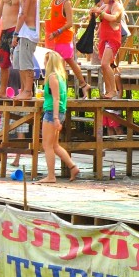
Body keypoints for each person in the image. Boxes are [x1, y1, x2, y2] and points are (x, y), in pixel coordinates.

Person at [28, 0, 92, 98]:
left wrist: (56, 32)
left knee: (65, 63)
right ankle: (73, 87)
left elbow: (70, 23)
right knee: (57, 63)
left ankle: (80, 85)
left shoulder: (66, 3)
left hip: (63, 37)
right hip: (54, 37)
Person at [37, 50, 80, 183]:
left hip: (52, 113)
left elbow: (56, 98)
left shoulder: (52, 77)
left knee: (47, 146)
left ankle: (51, 176)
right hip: (58, 111)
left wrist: (55, 118)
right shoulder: (60, 77)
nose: (44, 63)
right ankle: (72, 167)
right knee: (54, 145)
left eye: (45, 61)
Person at [91, 0, 125, 99]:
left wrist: (101, 12)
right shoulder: (104, 6)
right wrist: (93, 13)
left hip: (113, 38)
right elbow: (99, 15)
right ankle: (109, 90)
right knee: (104, 65)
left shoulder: (117, 6)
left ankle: (113, 90)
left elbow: (113, 17)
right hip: (104, 38)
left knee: (105, 63)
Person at [11, 0, 41, 100]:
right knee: (18, 62)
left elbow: (23, 14)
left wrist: (15, 34)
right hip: (24, 33)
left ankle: (28, 91)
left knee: (26, 63)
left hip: (28, 32)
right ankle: (24, 90)